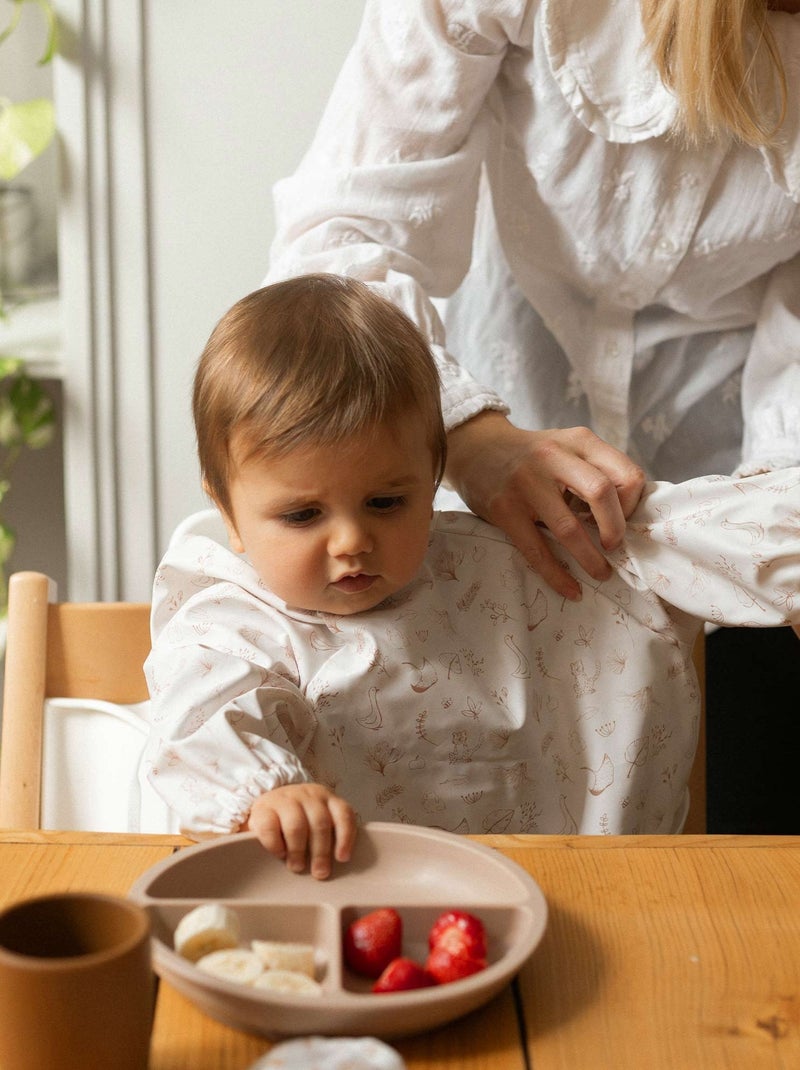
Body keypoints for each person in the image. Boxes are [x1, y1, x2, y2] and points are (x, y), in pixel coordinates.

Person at [263, 0, 800, 831]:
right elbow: (342, 234)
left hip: (730, 450)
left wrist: (777, 520)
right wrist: (466, 429)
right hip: (490, 414)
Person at [142, 274, 800, 878]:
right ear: (226, 509)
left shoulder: (515, 563)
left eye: (386, 502)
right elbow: (202, 713)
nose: (350, 541)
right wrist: (268, 792)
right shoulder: (232, 617)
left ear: (432, 481)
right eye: (303, 514)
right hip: (339, 910)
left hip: (577, 895)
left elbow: (689, 539)